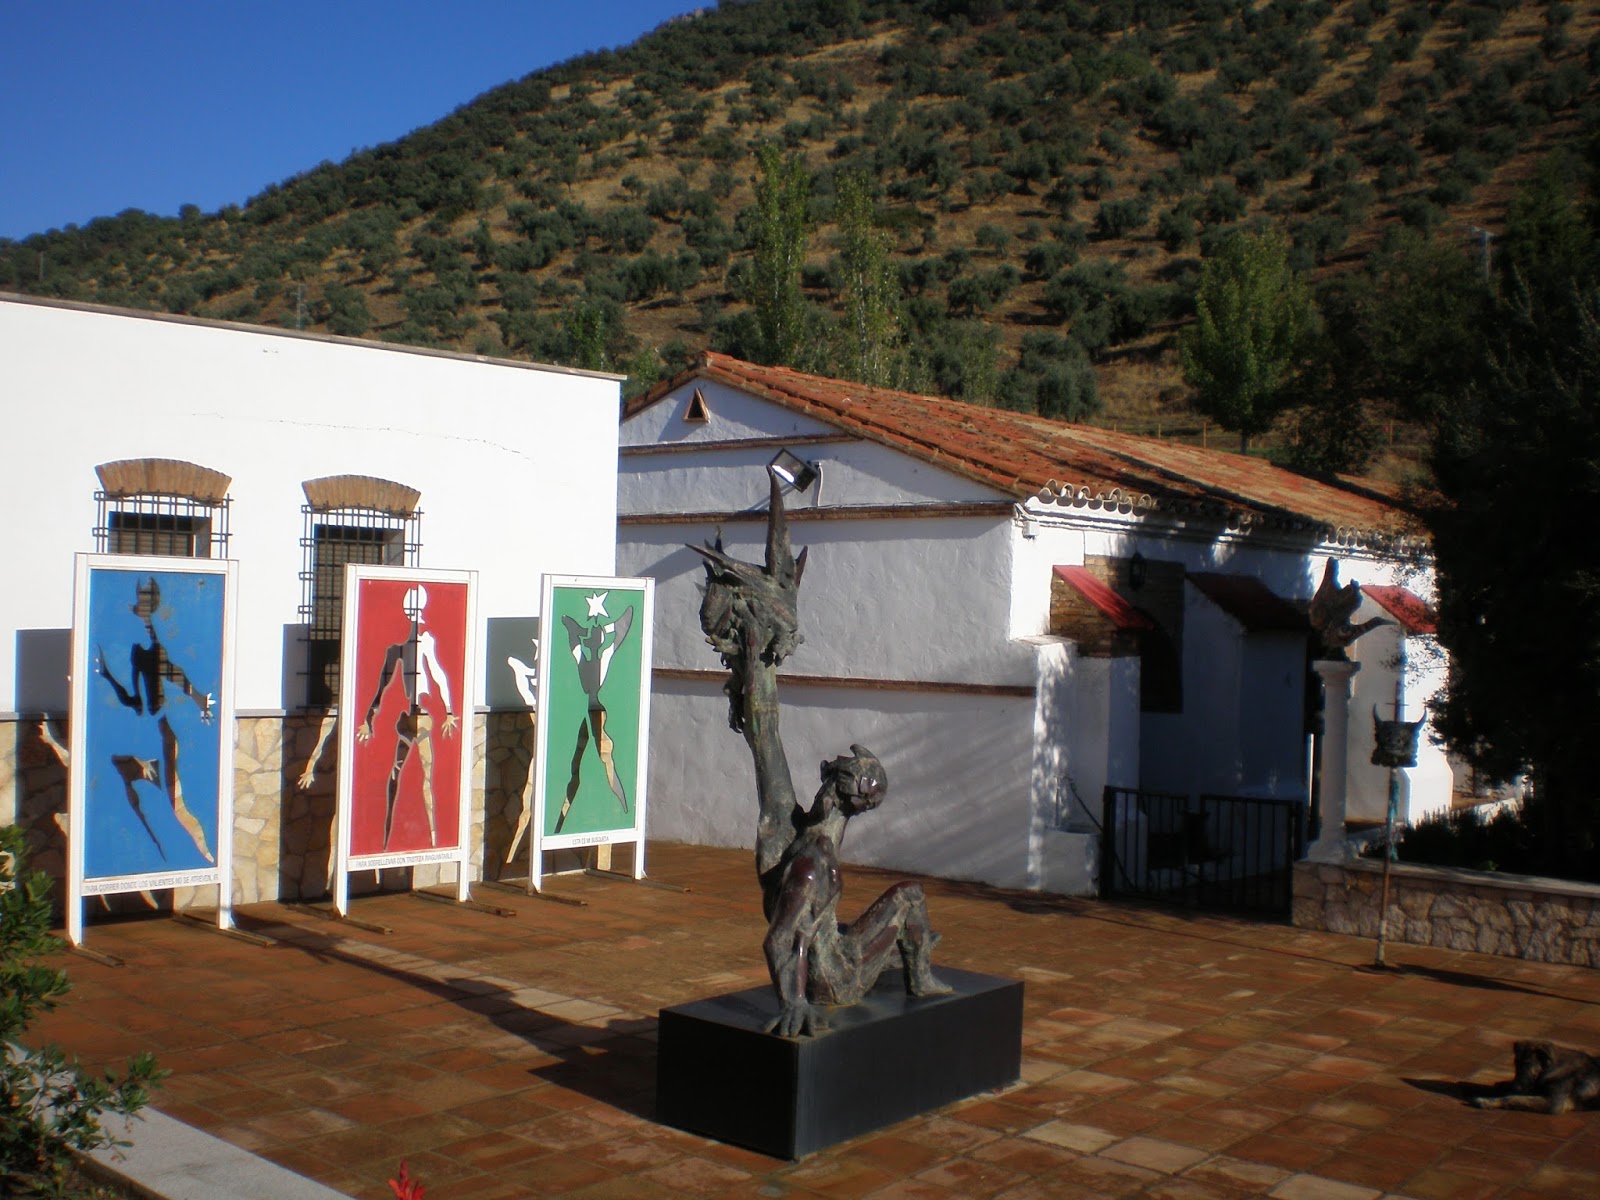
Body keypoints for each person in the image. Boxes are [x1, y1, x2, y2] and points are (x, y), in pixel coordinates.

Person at [760, 745, 951, 1038]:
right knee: (910, 894)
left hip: (830, 958)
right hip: (838, 980)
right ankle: (920, 977)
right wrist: (794, 1003)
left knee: (859, 931)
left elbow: (774, 782)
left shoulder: (798, 831)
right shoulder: (813, 862)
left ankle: (902, 949)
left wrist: (759, 722)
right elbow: (779, 939)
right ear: (861, 801)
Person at [95, 576, 216, 864]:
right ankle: (184, 858)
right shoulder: (127, 635)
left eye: (152, 594)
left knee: (170, 796)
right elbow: (129, 685)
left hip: (155, 722)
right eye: (145, 594)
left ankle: (194, 859)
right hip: (142, 724)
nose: (149, 601)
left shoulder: (150, 633)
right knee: (151, 797)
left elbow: (166, 671)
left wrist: (197, 697)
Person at [356, 585, 458, 848]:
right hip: (409, 720)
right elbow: (383, 686)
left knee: (420, 777)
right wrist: (368, 718)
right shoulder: (397, 650)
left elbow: (437, 674)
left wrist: (448, 710)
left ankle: (431, 837)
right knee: (397, 774)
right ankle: (388, 840)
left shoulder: (424, 642)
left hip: (419, 719)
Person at [554, 593, 633, 832]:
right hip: (582, 711)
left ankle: (623, 808)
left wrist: (605, 627)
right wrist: (579, 629)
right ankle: (559, 818)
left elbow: (622, 627)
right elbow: (569, 628)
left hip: (598, 711)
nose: (594, 642)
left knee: (606, 760)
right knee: (574, 765)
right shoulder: (581, 656)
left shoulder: (605, 655)